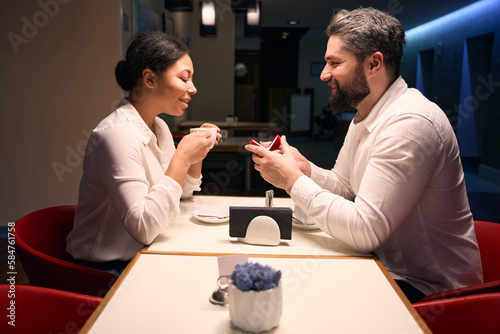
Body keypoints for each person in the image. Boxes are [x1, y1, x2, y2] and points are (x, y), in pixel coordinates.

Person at [245, 7, 483, 302]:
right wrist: (305, 169)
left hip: (430, 290)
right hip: (385, 265)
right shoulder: (368, 113)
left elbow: (365, 231)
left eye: (335, 63)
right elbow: (346, 188)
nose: (324, 74)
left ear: (374, 64)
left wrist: (293, 181)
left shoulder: (411, 123)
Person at [66, 31, 220, 275]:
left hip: (145, 251)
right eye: (184, 78)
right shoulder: (115, 134)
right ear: (149, 79)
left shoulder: (159, 127)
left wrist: (195, 155)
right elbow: (144, 227)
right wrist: (181, 157)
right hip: (104, 269)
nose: (193, 88)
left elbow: (181, 194)